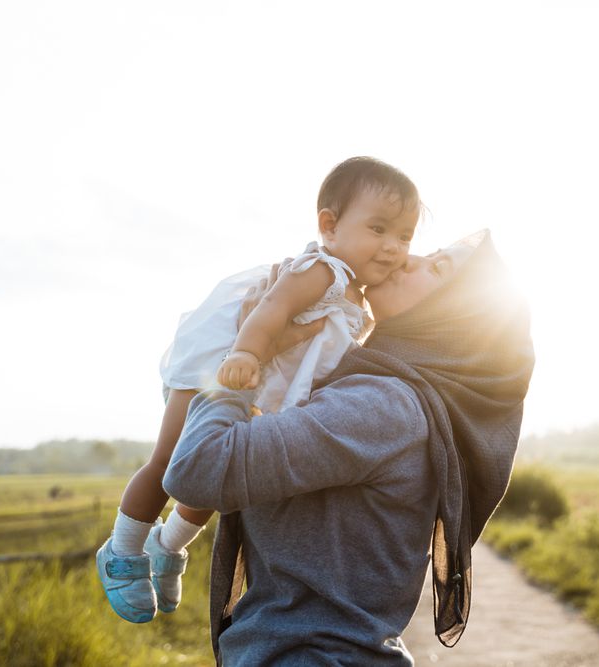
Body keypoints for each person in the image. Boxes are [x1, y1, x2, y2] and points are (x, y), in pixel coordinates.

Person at [163, 230, 534, 665]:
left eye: (436, 269)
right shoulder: (379, 390)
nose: (407, 258)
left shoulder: (384, 406)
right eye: (427, 253)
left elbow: (197, 468)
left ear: (452, 317)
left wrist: (242, 356)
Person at [96, 157, 422, 624]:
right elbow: (273, 305)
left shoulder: (359, 298)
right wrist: (246, 353)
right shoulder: (323, 270)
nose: (393, 247)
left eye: (405, 237)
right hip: (221, 362)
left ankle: (167, 547)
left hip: (257, 386)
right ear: (329, 226)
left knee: (215, 478)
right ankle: (122, 549)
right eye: (378, 228)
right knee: (172, 458)